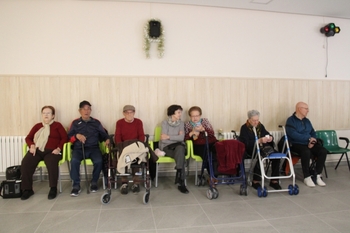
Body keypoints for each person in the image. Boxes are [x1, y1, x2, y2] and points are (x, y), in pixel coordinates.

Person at [21, 106, 67, 200]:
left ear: (53, 115)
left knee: (51, 162)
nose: (46, 115)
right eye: (44, 113)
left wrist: (58, 148)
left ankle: (53, 188)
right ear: (42, 115)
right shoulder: (37, 126)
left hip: (52, 151)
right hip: (37, 150)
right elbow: (28, 138)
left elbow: (65, 138)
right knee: (26, 162)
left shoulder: (57, 125)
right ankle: (27, 189)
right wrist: (32, 145)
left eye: (48, 113)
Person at [68, 100, 110, 197]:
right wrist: (76, 136)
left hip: (93, 148)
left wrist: (107, 139)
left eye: (88, 109)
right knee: (74, 161)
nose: (86, 111)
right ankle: (76, 185)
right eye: (84, 109)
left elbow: (104, 134)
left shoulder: (96, 122)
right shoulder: (75, 123)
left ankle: (94, 181)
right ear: (80, 111)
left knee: (99, 161)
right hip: (79, 148)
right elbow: (68, 137)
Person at [286, 102, 327, 187]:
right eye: (306, 109)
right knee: (306, 152)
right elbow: (293, 134)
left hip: (309, 143)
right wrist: (308, 139)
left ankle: (318, 174)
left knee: (322, 151)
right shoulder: (291, 120)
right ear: (299, 109)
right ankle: (307, 177)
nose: (308, 111)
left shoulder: (307, 121)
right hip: (297, 144)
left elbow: (313, 132)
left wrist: (313, 141)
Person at [239, 110, 282, 190]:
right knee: (259, 156)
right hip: (251, 149)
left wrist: (270, 138)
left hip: (263, 148)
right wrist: (258, 141)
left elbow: (267, 134)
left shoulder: (260, 126)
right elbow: (245, 143)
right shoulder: (244, 128)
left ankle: (274, 181)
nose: (256, 122)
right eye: (254, 120)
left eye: (257, 120)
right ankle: (255, 181)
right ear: (249, 120)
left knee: (276, 156)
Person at [115, 105, 145, 195]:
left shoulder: (138, 122)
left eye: (131, 112)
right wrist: (121, 147)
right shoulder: (119, 123)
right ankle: (124, 183)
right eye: (127, 112)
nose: (129, 114)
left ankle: (136, 183)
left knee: (137, 159)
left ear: (134, 113)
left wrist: (139, 146)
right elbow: (117, 137)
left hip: (135, 146)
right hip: (124, 146)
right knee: (123, 156)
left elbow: (141, 136)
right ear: (123, 113)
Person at [159, 104, 189, 194]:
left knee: (180, 148)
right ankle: (181, 183)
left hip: (178, 146)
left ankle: (180, 173)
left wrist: (168, 136)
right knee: (181, 155)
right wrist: (175, 137)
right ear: (172, 113)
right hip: (167, 147)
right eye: (178, 112)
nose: (180, 115)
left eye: (181, 112)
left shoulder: (181, 123)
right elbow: (163, 140)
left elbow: (181, 138)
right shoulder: (164, 123)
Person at [184, 106, 218, 173]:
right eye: (193, 116)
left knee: (219, 152)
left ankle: (225, 173)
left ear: (200, 115)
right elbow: (185, 138)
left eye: (197, 115)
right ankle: (213, 176)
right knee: (208, 156)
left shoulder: (205, 121)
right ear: (190, 116)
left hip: (211, 143)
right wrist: (191, 133)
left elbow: (212, 133)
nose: (195, 118)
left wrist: (203, 129)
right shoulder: (187, 125)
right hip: (199, 146)